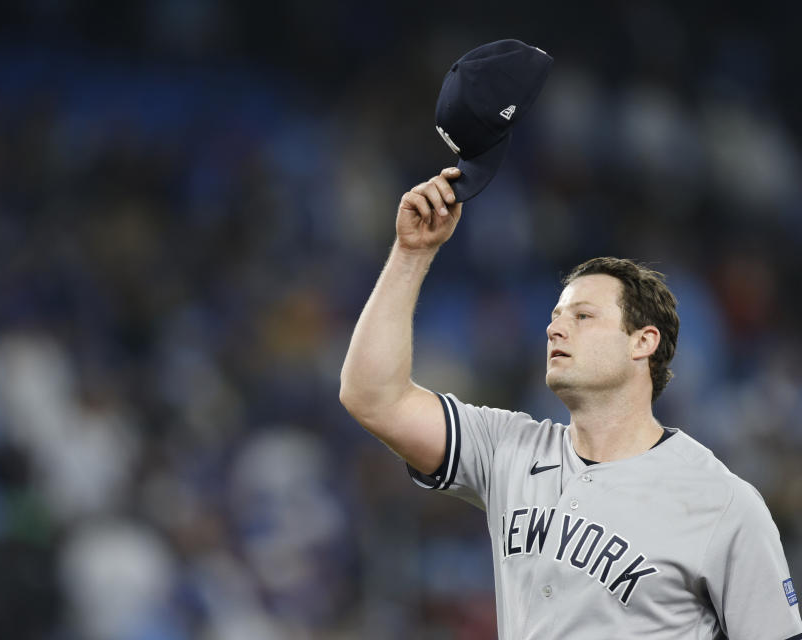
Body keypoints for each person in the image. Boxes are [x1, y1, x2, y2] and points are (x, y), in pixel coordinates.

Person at [339, 167, 802, 639]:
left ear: (643, 342)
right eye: (556, 316)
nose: (555, 329)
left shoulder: (722, 502)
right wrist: (412, 254)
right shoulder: (508, 449)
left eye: (583, 316)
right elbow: (373, 397)